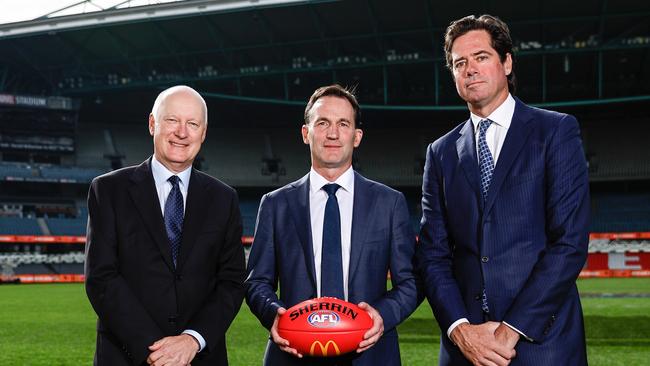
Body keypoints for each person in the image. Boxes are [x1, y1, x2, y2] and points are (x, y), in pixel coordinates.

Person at [417, 15, 590, 366]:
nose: (470, 69)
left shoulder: (555, 131)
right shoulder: (440, 152)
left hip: (543, 342)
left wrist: (509, 330)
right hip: (466, 347)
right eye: (459, 63)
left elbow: (569, 242)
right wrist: (460, 330)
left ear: (506, 62)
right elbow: (433, 255)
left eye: (481, 57)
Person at [245, 84, 418, 365]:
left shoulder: (389, 203)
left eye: (343, 124)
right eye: (323, 123)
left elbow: (410, 282)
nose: (333, 133)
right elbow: (257, 282)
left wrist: (381, 315)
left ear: (357, 136)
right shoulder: (275, 204)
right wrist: (274, 314)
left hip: (370, 354)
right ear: (306, 133)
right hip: (294, 352)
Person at [85, 85, 246, 366]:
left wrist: (192, 340)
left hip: (200, 356)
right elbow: (102, 278)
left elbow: (231, 282)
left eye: (192, 124)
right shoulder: (108, 190)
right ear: (152, 124)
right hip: (127, 356)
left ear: (203, 133)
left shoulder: (224, 198)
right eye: (172, 120)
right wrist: (158, 352)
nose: (182, 132)